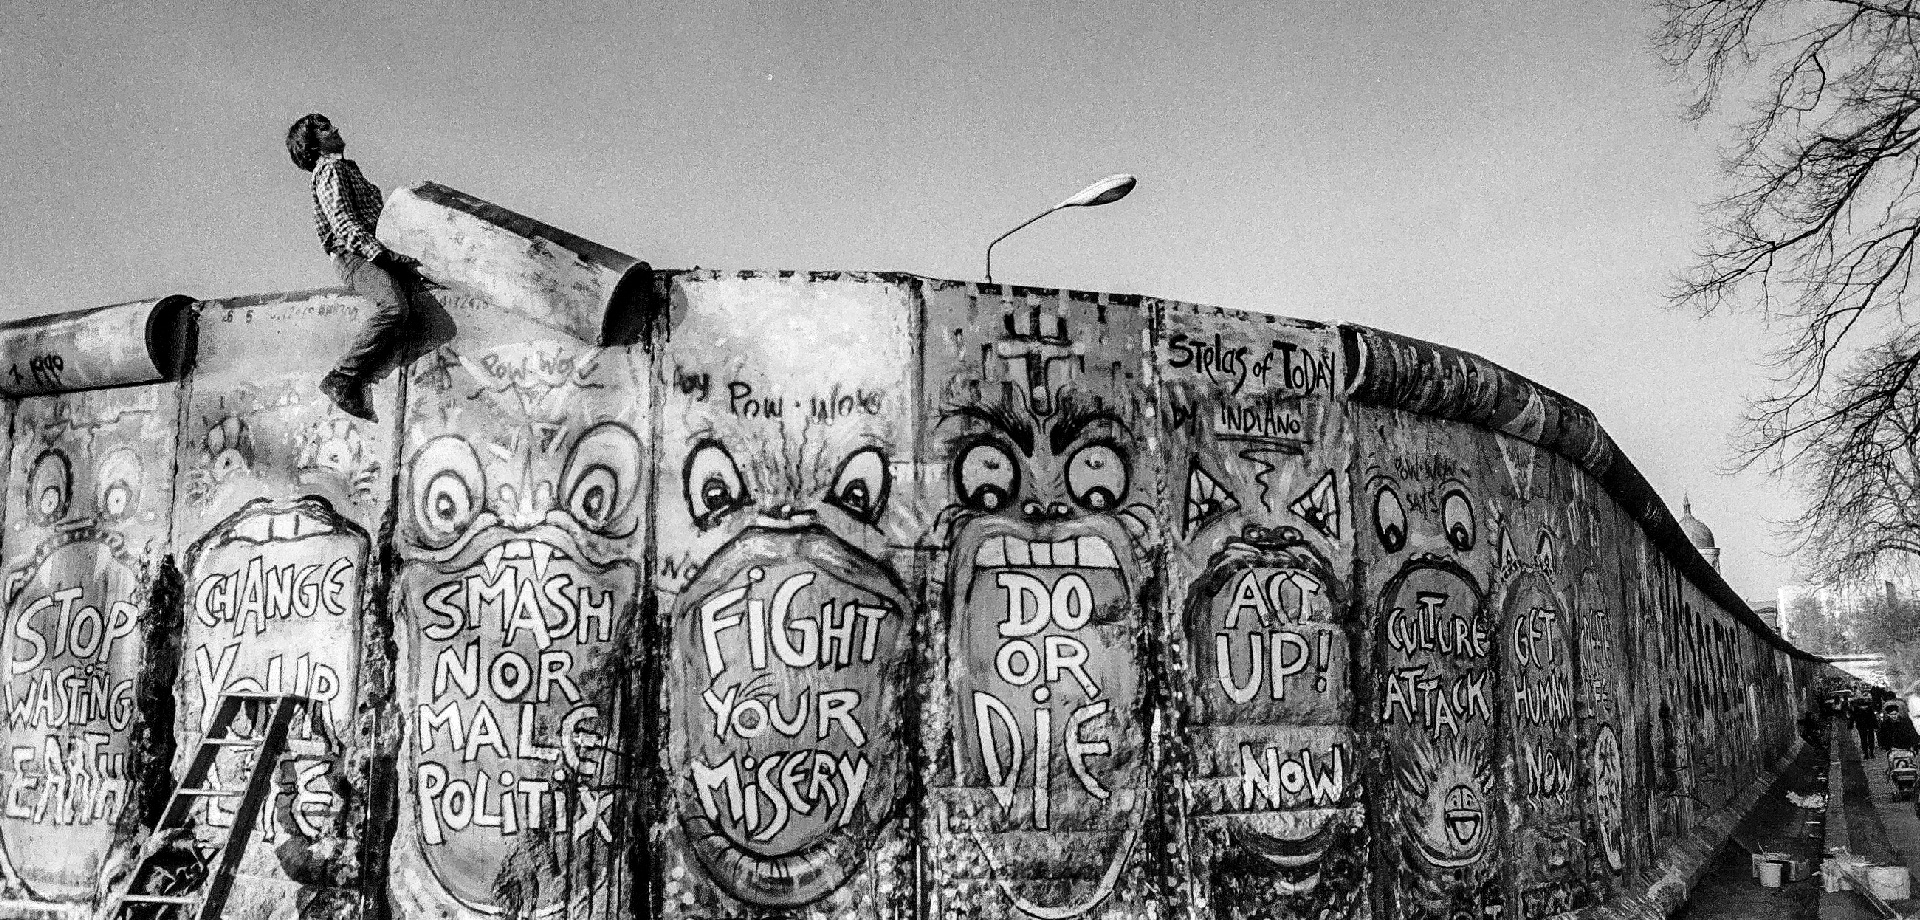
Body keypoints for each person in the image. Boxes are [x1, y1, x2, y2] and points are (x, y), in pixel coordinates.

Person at [285, 114, 424, 422]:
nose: (335, 129)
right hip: (354, 257)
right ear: (314, 145)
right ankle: (342, 376)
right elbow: (344, 224)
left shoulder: (344, 169)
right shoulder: (331, 171)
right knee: (393, 307)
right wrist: (383, 256)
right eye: (324, 129)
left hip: (367, 253)